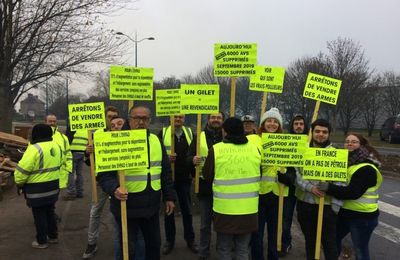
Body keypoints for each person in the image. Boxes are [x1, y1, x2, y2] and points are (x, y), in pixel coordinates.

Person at [97, 106, 176, 260]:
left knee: (153, 246)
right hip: (126, 206)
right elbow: (104, 176)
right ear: (129, 119)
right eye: (137, 118)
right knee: (128, 249)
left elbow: (165, 171)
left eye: (145, 118)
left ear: (150, 120)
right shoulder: (116, 140)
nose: (141, 121)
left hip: (152, 207)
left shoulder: (155, 140)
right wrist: (114, 189)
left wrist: (170, 197)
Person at [316, 133, 382, 260]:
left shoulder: (366, 168)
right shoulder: (347, 163)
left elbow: (353, 192)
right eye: (347, 141)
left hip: (362, 217)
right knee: (333, 240)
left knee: (360, 249)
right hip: (345, 213)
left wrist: (329, 188)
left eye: (354, 141)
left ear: (362, 145)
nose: (349, 144)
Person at [203, 117, 261, 260]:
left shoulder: (217, 150)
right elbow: (260, 173)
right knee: (242, 249)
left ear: (225, 131)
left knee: (224, 248)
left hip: (224, 211)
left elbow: (207, 175)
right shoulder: (255, 150)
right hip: (249, 211)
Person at [250, 107, 294, 260]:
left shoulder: (287, 142)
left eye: (276, 122)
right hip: (258, 194)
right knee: (256, 232)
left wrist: (287, 178)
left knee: (276, 233)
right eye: (269, 120)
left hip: (279, 195)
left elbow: (295, 170)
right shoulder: (253, 140)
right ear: (263, 123)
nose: (272, 124)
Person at [295, 119, 339, 260]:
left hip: (326, 207)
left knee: (329, 244)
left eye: (324, 132)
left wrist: (335, 206)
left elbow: (341, 180)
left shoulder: (336, 153)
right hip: (304, 205)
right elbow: (296, 173)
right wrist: (309, 187)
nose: (321, 134)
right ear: (312, 132)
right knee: (310, 242)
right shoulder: (303, 150)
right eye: (317, 131)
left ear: (329, 134)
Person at [14, 124, 63, 249]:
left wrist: (19, 183)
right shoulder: (56, 146)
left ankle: (41, 241)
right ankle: (53, 236)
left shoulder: (34, 149)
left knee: (39, 213)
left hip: (37, 189)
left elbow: (22, 170)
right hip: (53, 186)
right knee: (50, 211)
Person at [82, 106, 119, 259]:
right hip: (102, 180)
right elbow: (89, 162)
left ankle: (122, 242)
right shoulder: (97, 135)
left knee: (119, 212)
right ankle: (91, 243)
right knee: (95, 211)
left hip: (120, 180)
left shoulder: (124, 133)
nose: (112, 119)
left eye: (114, 116)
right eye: (109, 116)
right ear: (104, 118)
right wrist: (88, 152)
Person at [158, 114, 198, 255]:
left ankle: (190, 239)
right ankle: (169, 241)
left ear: (184, 119)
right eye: (175, 117)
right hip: (168, 180)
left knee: (187, 211)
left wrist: (194, 175)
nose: (178, 119)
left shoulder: (189, 133)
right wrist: (166, 158)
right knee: (169, 211)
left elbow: (194, 154)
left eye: (181, 117)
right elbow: (156, 154)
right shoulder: (162, 133)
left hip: (184, 179)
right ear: (171, 118)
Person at [187, 111, 224, 260]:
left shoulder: (227, 137)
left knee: (223, 224)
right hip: (204, 187)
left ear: (223, 120)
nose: (216, 120)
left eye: (219, 118)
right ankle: (204, 251)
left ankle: (223, 251)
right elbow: (187, 158)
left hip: (224, 187)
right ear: (208, 120)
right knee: (204, 224)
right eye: (213, 117)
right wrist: (192, 160)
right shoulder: (198, 137)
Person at [280, 114, 308, 257]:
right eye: (296, 123)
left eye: (301, 124)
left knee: (305, 220)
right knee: (286, 217)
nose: (298, 126)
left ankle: (312, 247)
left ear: (305, 126)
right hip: (289, 186)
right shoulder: (285, 141)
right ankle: (285, 243)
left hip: (306, 188)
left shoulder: (310, 143)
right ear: (292, 126)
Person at [45, 114, 72, 191]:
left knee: (54, 198)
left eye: (54, 121)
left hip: (59, 174)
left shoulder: (63, 138)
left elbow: (68, 154)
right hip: (43, 176)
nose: (52, 123)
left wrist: (68, 169)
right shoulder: (39, 136)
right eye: (50, 121)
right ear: (45, 122)